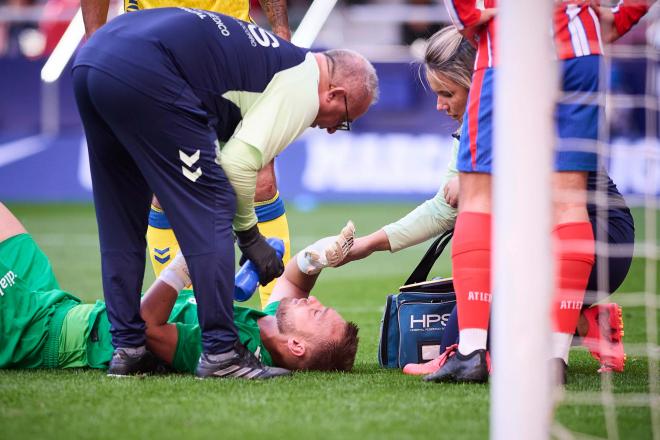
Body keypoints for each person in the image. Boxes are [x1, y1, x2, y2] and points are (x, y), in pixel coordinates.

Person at [72, 8, 378, 378]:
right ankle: (221, 354)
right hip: (146, 69)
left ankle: (128, 348)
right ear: (335, 93)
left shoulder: (275, 59)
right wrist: (250, 236)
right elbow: (237, 166)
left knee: (121, 220)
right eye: (345, 120)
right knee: (216, 203)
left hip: (93, 60)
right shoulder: (303, 87)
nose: (332, 130)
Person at [343, 25, 635, 377]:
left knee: (473, 342)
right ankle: (588, 322)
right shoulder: (472, 129)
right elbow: (443, 209)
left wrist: (480, 187)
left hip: (598, 241)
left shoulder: (535, 113)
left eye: (447, 93)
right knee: (468, 332)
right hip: (541, 249)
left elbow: (544, 190)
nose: (439, 105)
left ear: (477, 81)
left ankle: (565, 326)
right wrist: (368, 245)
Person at [416, 0, 650, 384]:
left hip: (507, 44)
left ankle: (470, 351)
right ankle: (553, 358)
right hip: (578, 44)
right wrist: (624, 13)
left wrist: (468, 18)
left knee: (479, 199)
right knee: (569, 204)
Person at [80, 0, 292, 310]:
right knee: (164, 191)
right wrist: (95, 34)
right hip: (149, 50)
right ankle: (184, 309)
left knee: (261, 184)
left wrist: (281, 31)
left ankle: (276, 313)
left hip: (233, 44)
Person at [0, 202, 360, 375]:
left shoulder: (233, 349)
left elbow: (143, 326)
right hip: (58, 306)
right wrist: (319, 257)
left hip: (42, 335)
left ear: (296, 346)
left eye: (316, 312)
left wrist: (188, 260)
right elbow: (295, 280)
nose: (312, 300)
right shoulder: (268, 328)